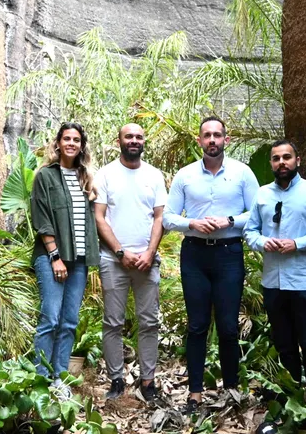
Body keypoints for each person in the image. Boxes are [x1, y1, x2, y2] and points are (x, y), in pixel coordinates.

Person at [164, 117, 260, 414]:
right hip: (194, 254)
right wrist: (191, 222)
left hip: (229, 253)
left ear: (226, 140)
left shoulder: (243, 174)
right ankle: (194, 394)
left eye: (217, 135)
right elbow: (168, 218)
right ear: (200, 141)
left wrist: (230, 220)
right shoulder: (185, 175)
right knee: (196, 326)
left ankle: (230, 390)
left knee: (229, 327)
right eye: (207, 135)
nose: (212, 140)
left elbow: (258, 212)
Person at [243, 140, 306, 396]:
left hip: (305, 283)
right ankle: (290, 402)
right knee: (284, 345)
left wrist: (297, 243)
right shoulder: (262, 194)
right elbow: (250, 232)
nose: (281, 162)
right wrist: (265, 242)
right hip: (273, 284)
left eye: (287, 157)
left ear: (298, 160)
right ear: (272, 163)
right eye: (276, 158)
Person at [93, 123, 168, 402]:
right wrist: (120, 252)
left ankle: (148, 381)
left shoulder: (154, 175)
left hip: (148, 262)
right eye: (129, 136)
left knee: (149, 322)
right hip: (114, 261)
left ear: (143, 141)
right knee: (113, 322)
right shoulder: (106, 174)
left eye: (138, 136)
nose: (134, 141)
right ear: (119, 140)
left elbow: (160, 217)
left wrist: (149, 253)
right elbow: (99, 216)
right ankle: (116, 379)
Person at [30, 122, 100, 397]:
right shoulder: (45, 176)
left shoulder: (85, 178)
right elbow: (42, 218)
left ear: (82, 146)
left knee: (69, 321)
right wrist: (55, 257)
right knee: (50, 318)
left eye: (76, 139)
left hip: (79, 260)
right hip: (52, 259)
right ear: (57, 143)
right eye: (66, 138)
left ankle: (59, 378)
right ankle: (40, 378)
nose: (71, 143)